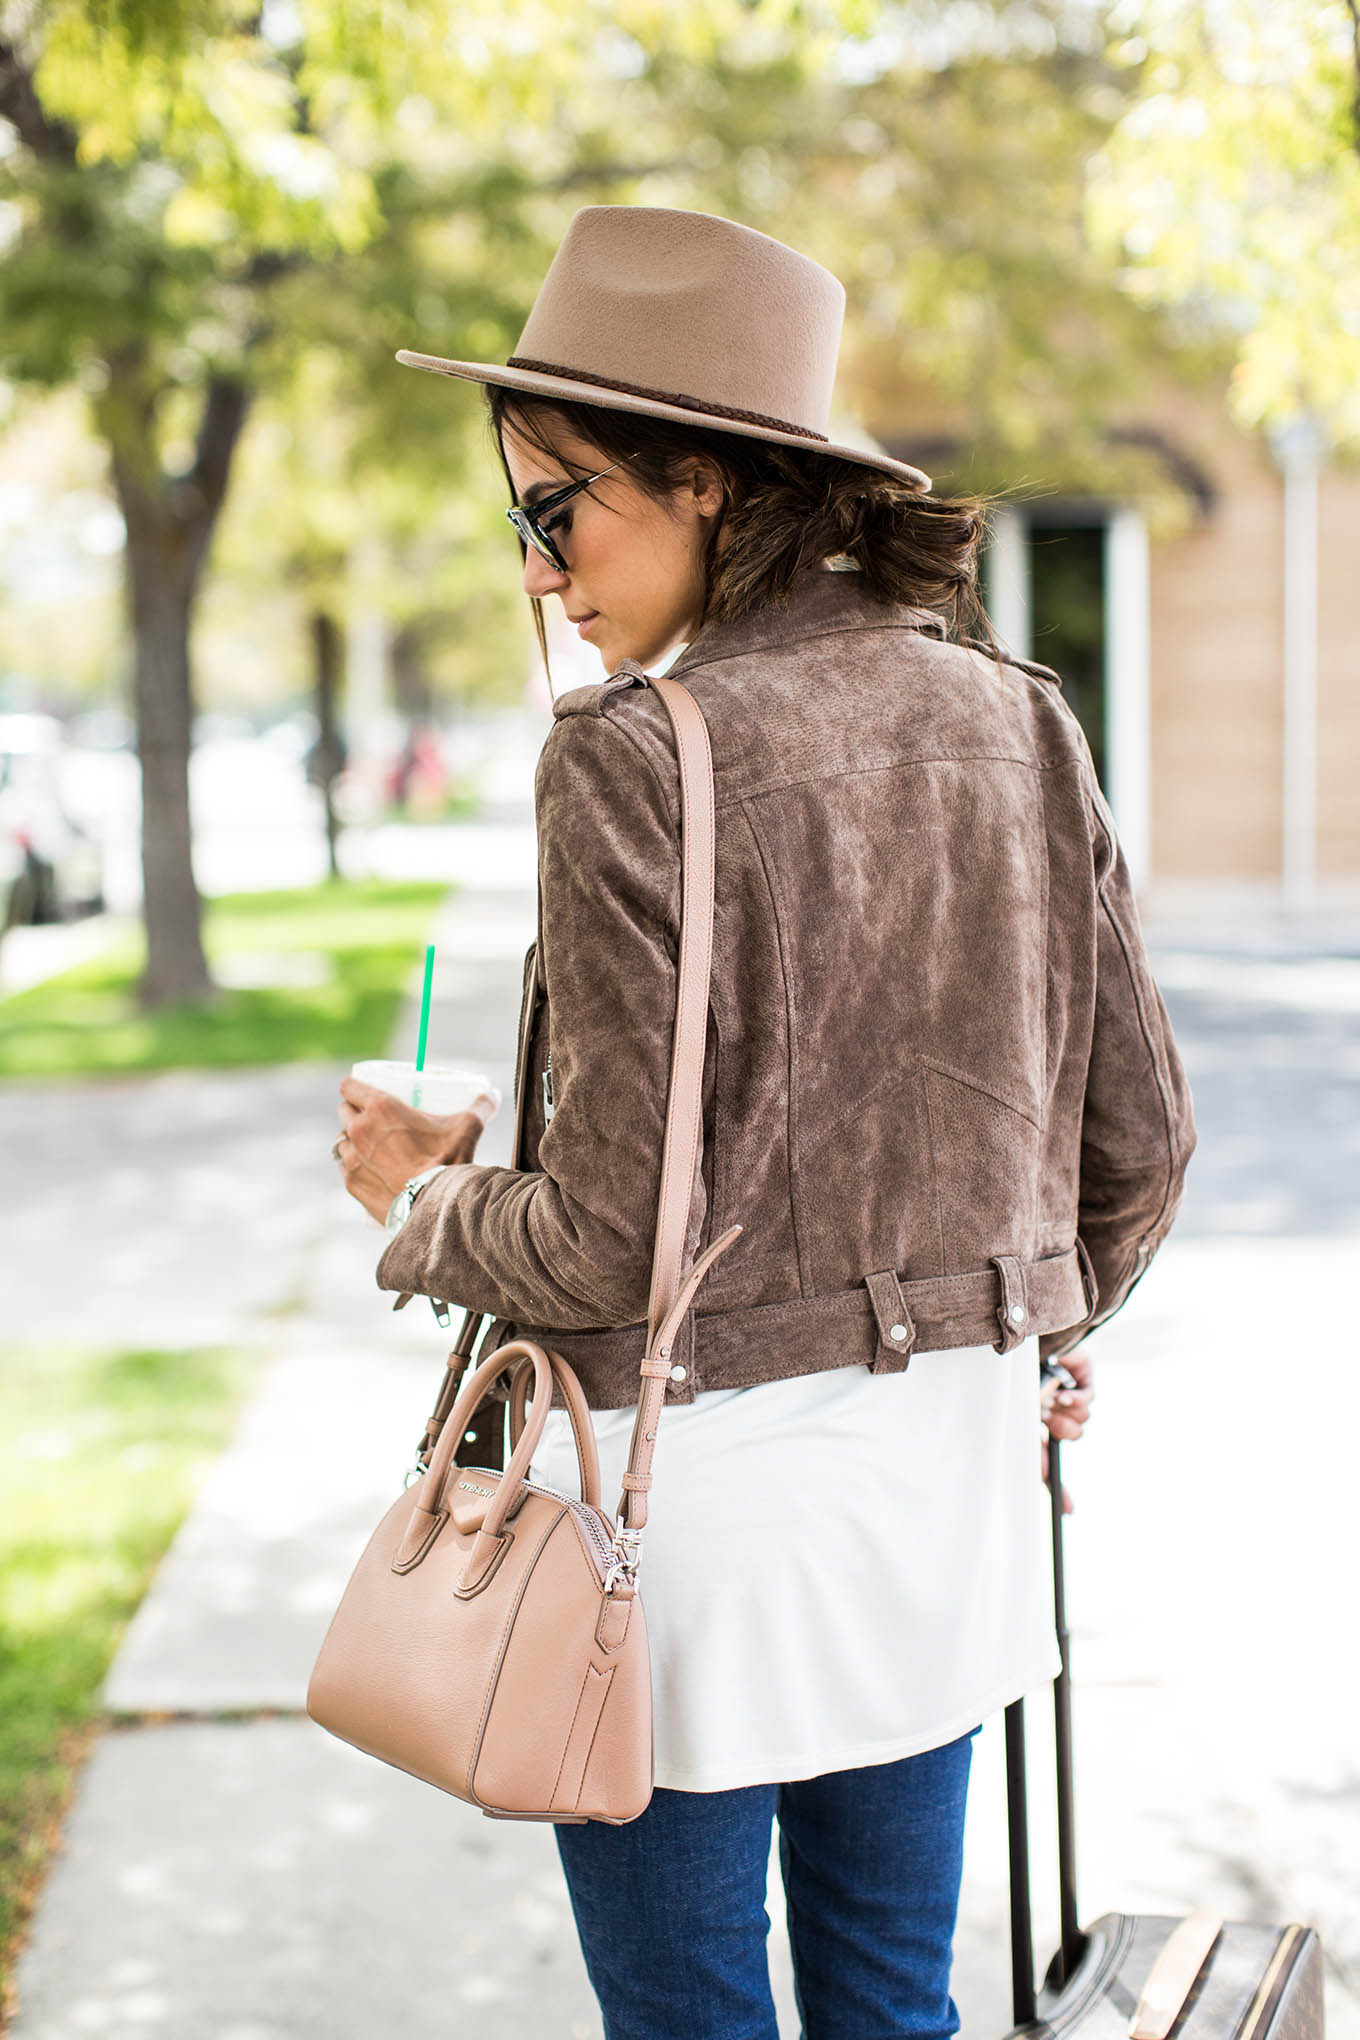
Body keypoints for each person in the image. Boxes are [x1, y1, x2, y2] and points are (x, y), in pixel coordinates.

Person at [333, 205, 1196, 2040]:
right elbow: (1142, 1153)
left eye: (555, 506)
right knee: (896, 2009)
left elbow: (607, 1242)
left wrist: (423, 1196)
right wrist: (1022, 1326)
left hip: (689, 1532)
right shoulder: (1023, 717)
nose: (544, 570)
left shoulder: (631, 753)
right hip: (942, 1497)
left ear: (706, 481)